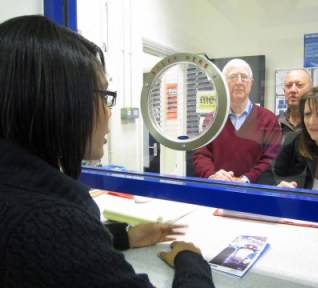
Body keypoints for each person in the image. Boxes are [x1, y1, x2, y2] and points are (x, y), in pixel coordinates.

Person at [0, 15, 214, 288]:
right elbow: (53, 242)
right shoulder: (48, 224)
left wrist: (125, 236)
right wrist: (192, 261)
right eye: (103, 95)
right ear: (61, 102)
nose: (109, 110)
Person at [193, 59, 281, 184]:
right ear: (223, 83)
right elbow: (201, 155)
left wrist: (245, 179)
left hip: (255, 193)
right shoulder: (211, 119)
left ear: (251, 83)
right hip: (219, 190)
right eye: (233, 77)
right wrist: (213, 176)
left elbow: (271, 159)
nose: (239, 82)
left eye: (244, 77)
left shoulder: (269, 119)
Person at [279, 69, 313, 137]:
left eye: (299, 85)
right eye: (289, 85)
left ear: (310, 91)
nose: (293, 90)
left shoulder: (317, 123)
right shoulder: (275, 124)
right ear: (284, 92)